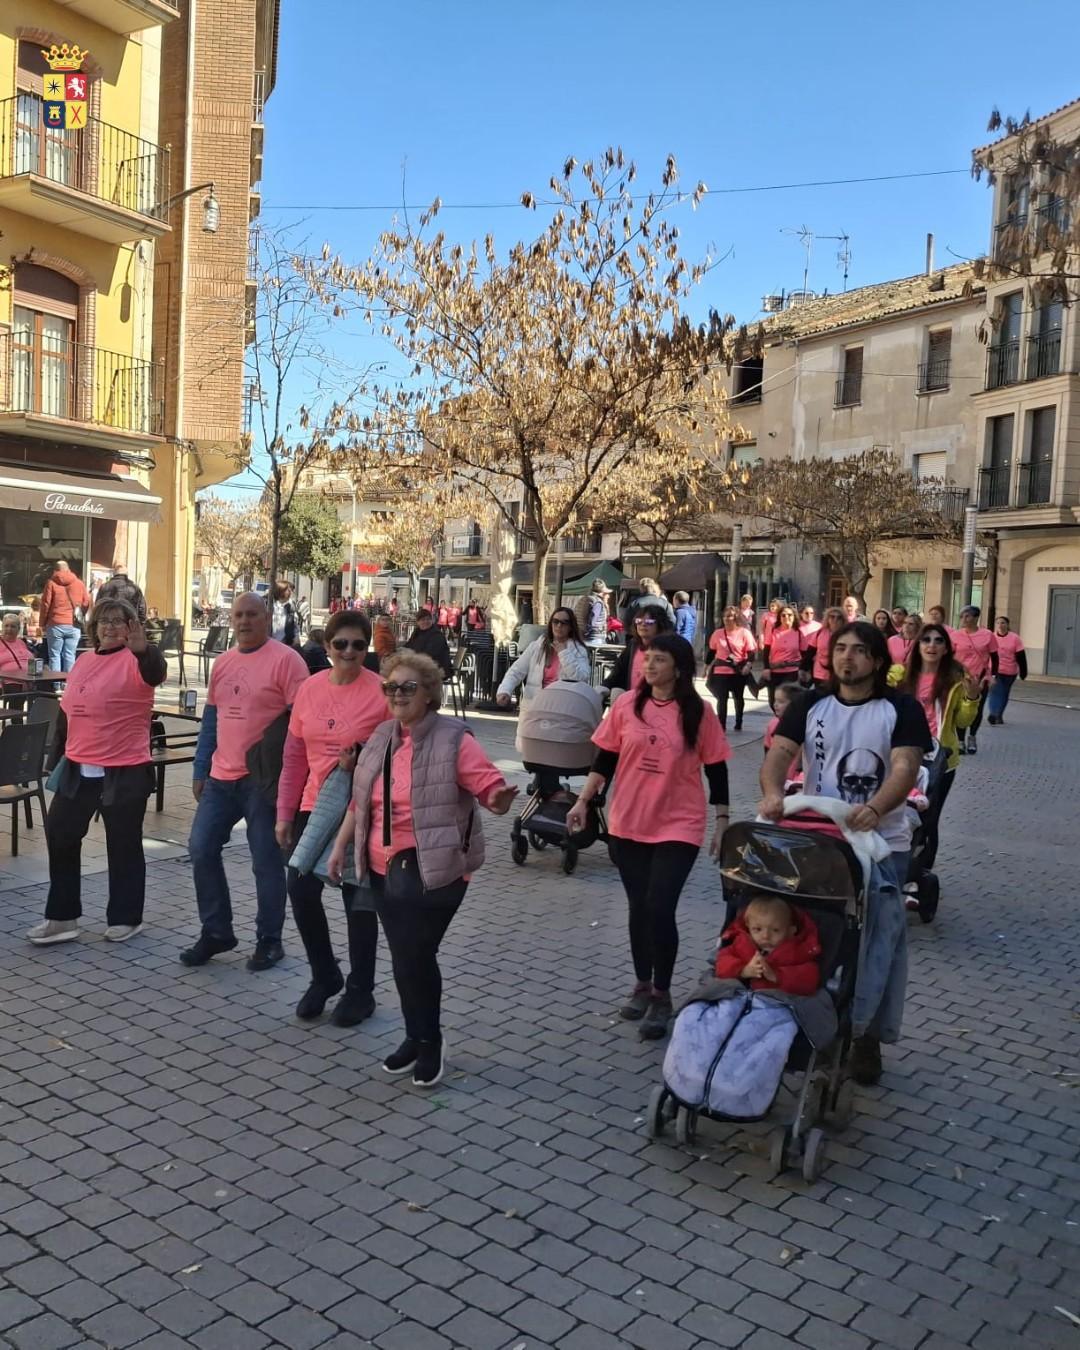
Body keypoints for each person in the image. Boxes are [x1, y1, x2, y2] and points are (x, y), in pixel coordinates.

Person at [326, 652, 518, 1087]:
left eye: (408, 687)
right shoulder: (381, 736)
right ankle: (417, 1036)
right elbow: (360, 799)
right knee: (406, 956)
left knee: (414, 954)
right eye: (391, 687)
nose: (397, 694)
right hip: (382, 867)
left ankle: (429, 1040)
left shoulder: (453, 738)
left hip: (436, 868)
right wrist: (339, 847)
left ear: (429, 693)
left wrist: (498, 797)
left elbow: (486, 782)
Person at [759, 621, 932, 1086]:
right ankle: (810, 1019)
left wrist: (875, 808)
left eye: (858, 650)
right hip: (819, 839)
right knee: (816, 933)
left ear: (877, 660)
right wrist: (773, 793)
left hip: (882, 845)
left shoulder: (901, 709)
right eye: (840, 649)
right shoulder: (810, 703)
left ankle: (868, 1033)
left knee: (878, 942)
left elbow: (905, 767)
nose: (846, 658)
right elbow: (780, 754)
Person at [568, 633, 730, 1040]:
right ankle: (642, 984)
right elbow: (605, 758)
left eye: (659, 659)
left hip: (679, 823)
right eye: (647, 658)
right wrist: (583, 801)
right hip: (628, 822)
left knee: (660, 906)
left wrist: (723, 822)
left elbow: (717, 769)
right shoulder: (626, 705)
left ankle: (662, 994)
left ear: (678, 667)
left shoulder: (699, 712)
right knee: (639, 907)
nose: (649, 666)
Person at [27, 598, 166, 946]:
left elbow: (156, 672)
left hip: (124, 767)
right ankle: (62, 918)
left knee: (123, 843)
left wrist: (144, 650)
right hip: (80, 766)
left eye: (119, 621)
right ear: (94, 627)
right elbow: (67, 712)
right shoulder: (85, 660)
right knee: (60, 833)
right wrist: (55, 758)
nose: (110, 626)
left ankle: (125, 918)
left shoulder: (139, 659)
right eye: (104, 620)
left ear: (131, 627)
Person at [184, 592, 309, 970]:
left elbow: (302, 722)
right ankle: (216, 932)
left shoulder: (287, 661)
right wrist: (200, 768)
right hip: (221, 777)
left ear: (267, 618)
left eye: (252, 614)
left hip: (264, 781)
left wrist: (293, 779)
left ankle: (270, 940)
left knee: (266, 862)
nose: (244, 621)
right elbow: (211, 719)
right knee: (201, 848)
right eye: (238, 615)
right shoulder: (223, 662)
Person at [277, 611, 386, 1024]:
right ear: (327, 646)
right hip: (316, 804)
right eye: (340, 644)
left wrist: (364, 760)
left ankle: (361, 990)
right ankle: (325, 975)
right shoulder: (309, 688)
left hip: (363, 807)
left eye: (359, 644)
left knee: (357, 898)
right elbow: (293, 756)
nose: (349, 651)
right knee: (300, 886)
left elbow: (398, 751)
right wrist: (285, 813)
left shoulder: (381, 692)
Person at [891, 622, 980, 870]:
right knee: (898, 814)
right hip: (902, 755)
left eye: (938, 641)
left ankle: (921, 872)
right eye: (926, 640)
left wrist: (972, 697)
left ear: (946, 649)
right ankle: (899, 867)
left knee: (929, 818)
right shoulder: (899, 675)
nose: (932, 645)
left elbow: (962, 721)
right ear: (917, 645)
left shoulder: (955, 681)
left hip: (940, 760)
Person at [714, 895, 822, 996]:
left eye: (775, 930)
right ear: (748, 927)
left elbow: (810, 978)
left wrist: (777, 976)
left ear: (790, 931)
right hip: (740, 995)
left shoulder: (796, 951)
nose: (765, 936)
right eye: (757, 929)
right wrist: (743, 970)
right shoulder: (741, 945)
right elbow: (721, 963)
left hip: (776, 1000)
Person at [496, 607, 590, 706]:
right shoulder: (537, 646)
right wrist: (505, 690)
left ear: (571, 626)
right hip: (535, 705)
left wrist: (564, 652)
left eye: (564, 622)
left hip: (562, 706)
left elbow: (581, 678)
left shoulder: (578, 650)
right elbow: (516, 671)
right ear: (550, 624)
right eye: (555, 621)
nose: (559, 625)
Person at [951, 605, 997, 755]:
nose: (964, 619)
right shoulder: (955, 635)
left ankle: (972, 736)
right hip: (960, 678)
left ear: (976, 618)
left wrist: (992, 676)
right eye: (962, 616)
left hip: (980, 678)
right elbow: (950, 656)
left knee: (977, 708)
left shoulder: (988, 635)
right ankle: (960, 741)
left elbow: (995, 657)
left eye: (967, 616)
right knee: (960, 707)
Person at [603, 606, 675, 701]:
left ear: (660, 624)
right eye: (639, 621)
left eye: (649, 622)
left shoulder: (669, 648)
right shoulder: (633, 645)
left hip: (657, 702)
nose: (643, 624)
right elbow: (618, 672)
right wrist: (604, 687)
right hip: (631, 701)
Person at [706, 604, 756, 731]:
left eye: (730, 616)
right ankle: (721, 726)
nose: (726, 619)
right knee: (722, 699)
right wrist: (706, 668)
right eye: (725, 616)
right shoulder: (717, 633)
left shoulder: (744, 633)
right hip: (720, 671)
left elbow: (751, 652)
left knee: (738, 697)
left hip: (738, 671)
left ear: (736, 618)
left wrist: (748, 665)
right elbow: (711, 652)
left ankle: (739, 721)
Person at [40, 560, 91, 674]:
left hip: (55, 624)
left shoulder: (51, 583)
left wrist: (42, 623)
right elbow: (86, 602)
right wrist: (80, 613)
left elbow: (45, 604)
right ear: (68, 569)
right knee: (70, 655)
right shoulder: (79, 583)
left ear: (55, 570)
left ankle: (55, 682)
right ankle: (68, 682)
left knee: (54, 655)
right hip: (73, 624)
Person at [987, 616, 1027, 725]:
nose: (1000, 625)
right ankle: (993, 713)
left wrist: (1023, 671)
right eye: (998, 623)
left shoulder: (1015, 638)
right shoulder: (991, 637)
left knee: (1004, 693)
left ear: (1007, 625)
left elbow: (1021, 656)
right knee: (996, 691)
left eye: (1003, 623)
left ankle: (999, 715)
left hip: (1010, 671)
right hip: (995, 670)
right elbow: (986, 653)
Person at [765, 604, 806, 707]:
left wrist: (803, 669)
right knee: (772, 701)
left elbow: (805, 654)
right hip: (775, 670)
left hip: (791, 671)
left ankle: (786, 717)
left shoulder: (798, 632)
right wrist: (766, 668)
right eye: (783, 615)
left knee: (787, 700)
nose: (786, 617)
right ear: (779, 617)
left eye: (789, 615)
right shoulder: (773, 630)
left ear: (794, 617)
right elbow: (766, 650)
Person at [802, 606, 844, 688]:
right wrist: (803, 669)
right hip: (820, 673)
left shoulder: (846, 634)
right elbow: (810, 652)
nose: (835, 620)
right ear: (827, 619)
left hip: (839, 673)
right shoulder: (820, 633)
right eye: (832, 617)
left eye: (839, 618)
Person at [405, 608, 453, 679]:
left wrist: (411, 657)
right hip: (423, 664)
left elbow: (430, 654)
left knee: (405, 673)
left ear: (432, 620)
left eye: (428, 619)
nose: (426, 622)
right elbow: (408, 645)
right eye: (423, 620)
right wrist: (399, 652)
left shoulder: (436, 635)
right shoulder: (417, 632)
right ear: (418, 622)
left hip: (436, 668)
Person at [576, 578, 612, 647]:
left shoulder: (583, 599)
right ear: (602, 592)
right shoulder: (597, 602)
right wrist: (587, 632)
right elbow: (592, 620)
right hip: (593, 637)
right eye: (606, 593)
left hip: (581, 635)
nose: (608, 596)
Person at [271, 581, 300, 647]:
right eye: (287, 590)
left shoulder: (291, 607)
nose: (290, 592)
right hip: (271, 644)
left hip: (287, 645)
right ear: (280, 591)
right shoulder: (271, 607)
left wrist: (296, 638)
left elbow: (295, 627)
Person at [758, 598, 782, 670]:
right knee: (766, 656)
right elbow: (761, 628)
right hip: (767, 639)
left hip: (778, 640)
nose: (772, 607)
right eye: (771, 606)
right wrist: (761, 640)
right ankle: (767, 669)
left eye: (774, 606)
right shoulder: (766, 615)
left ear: (778, 607)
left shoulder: (781, 615)